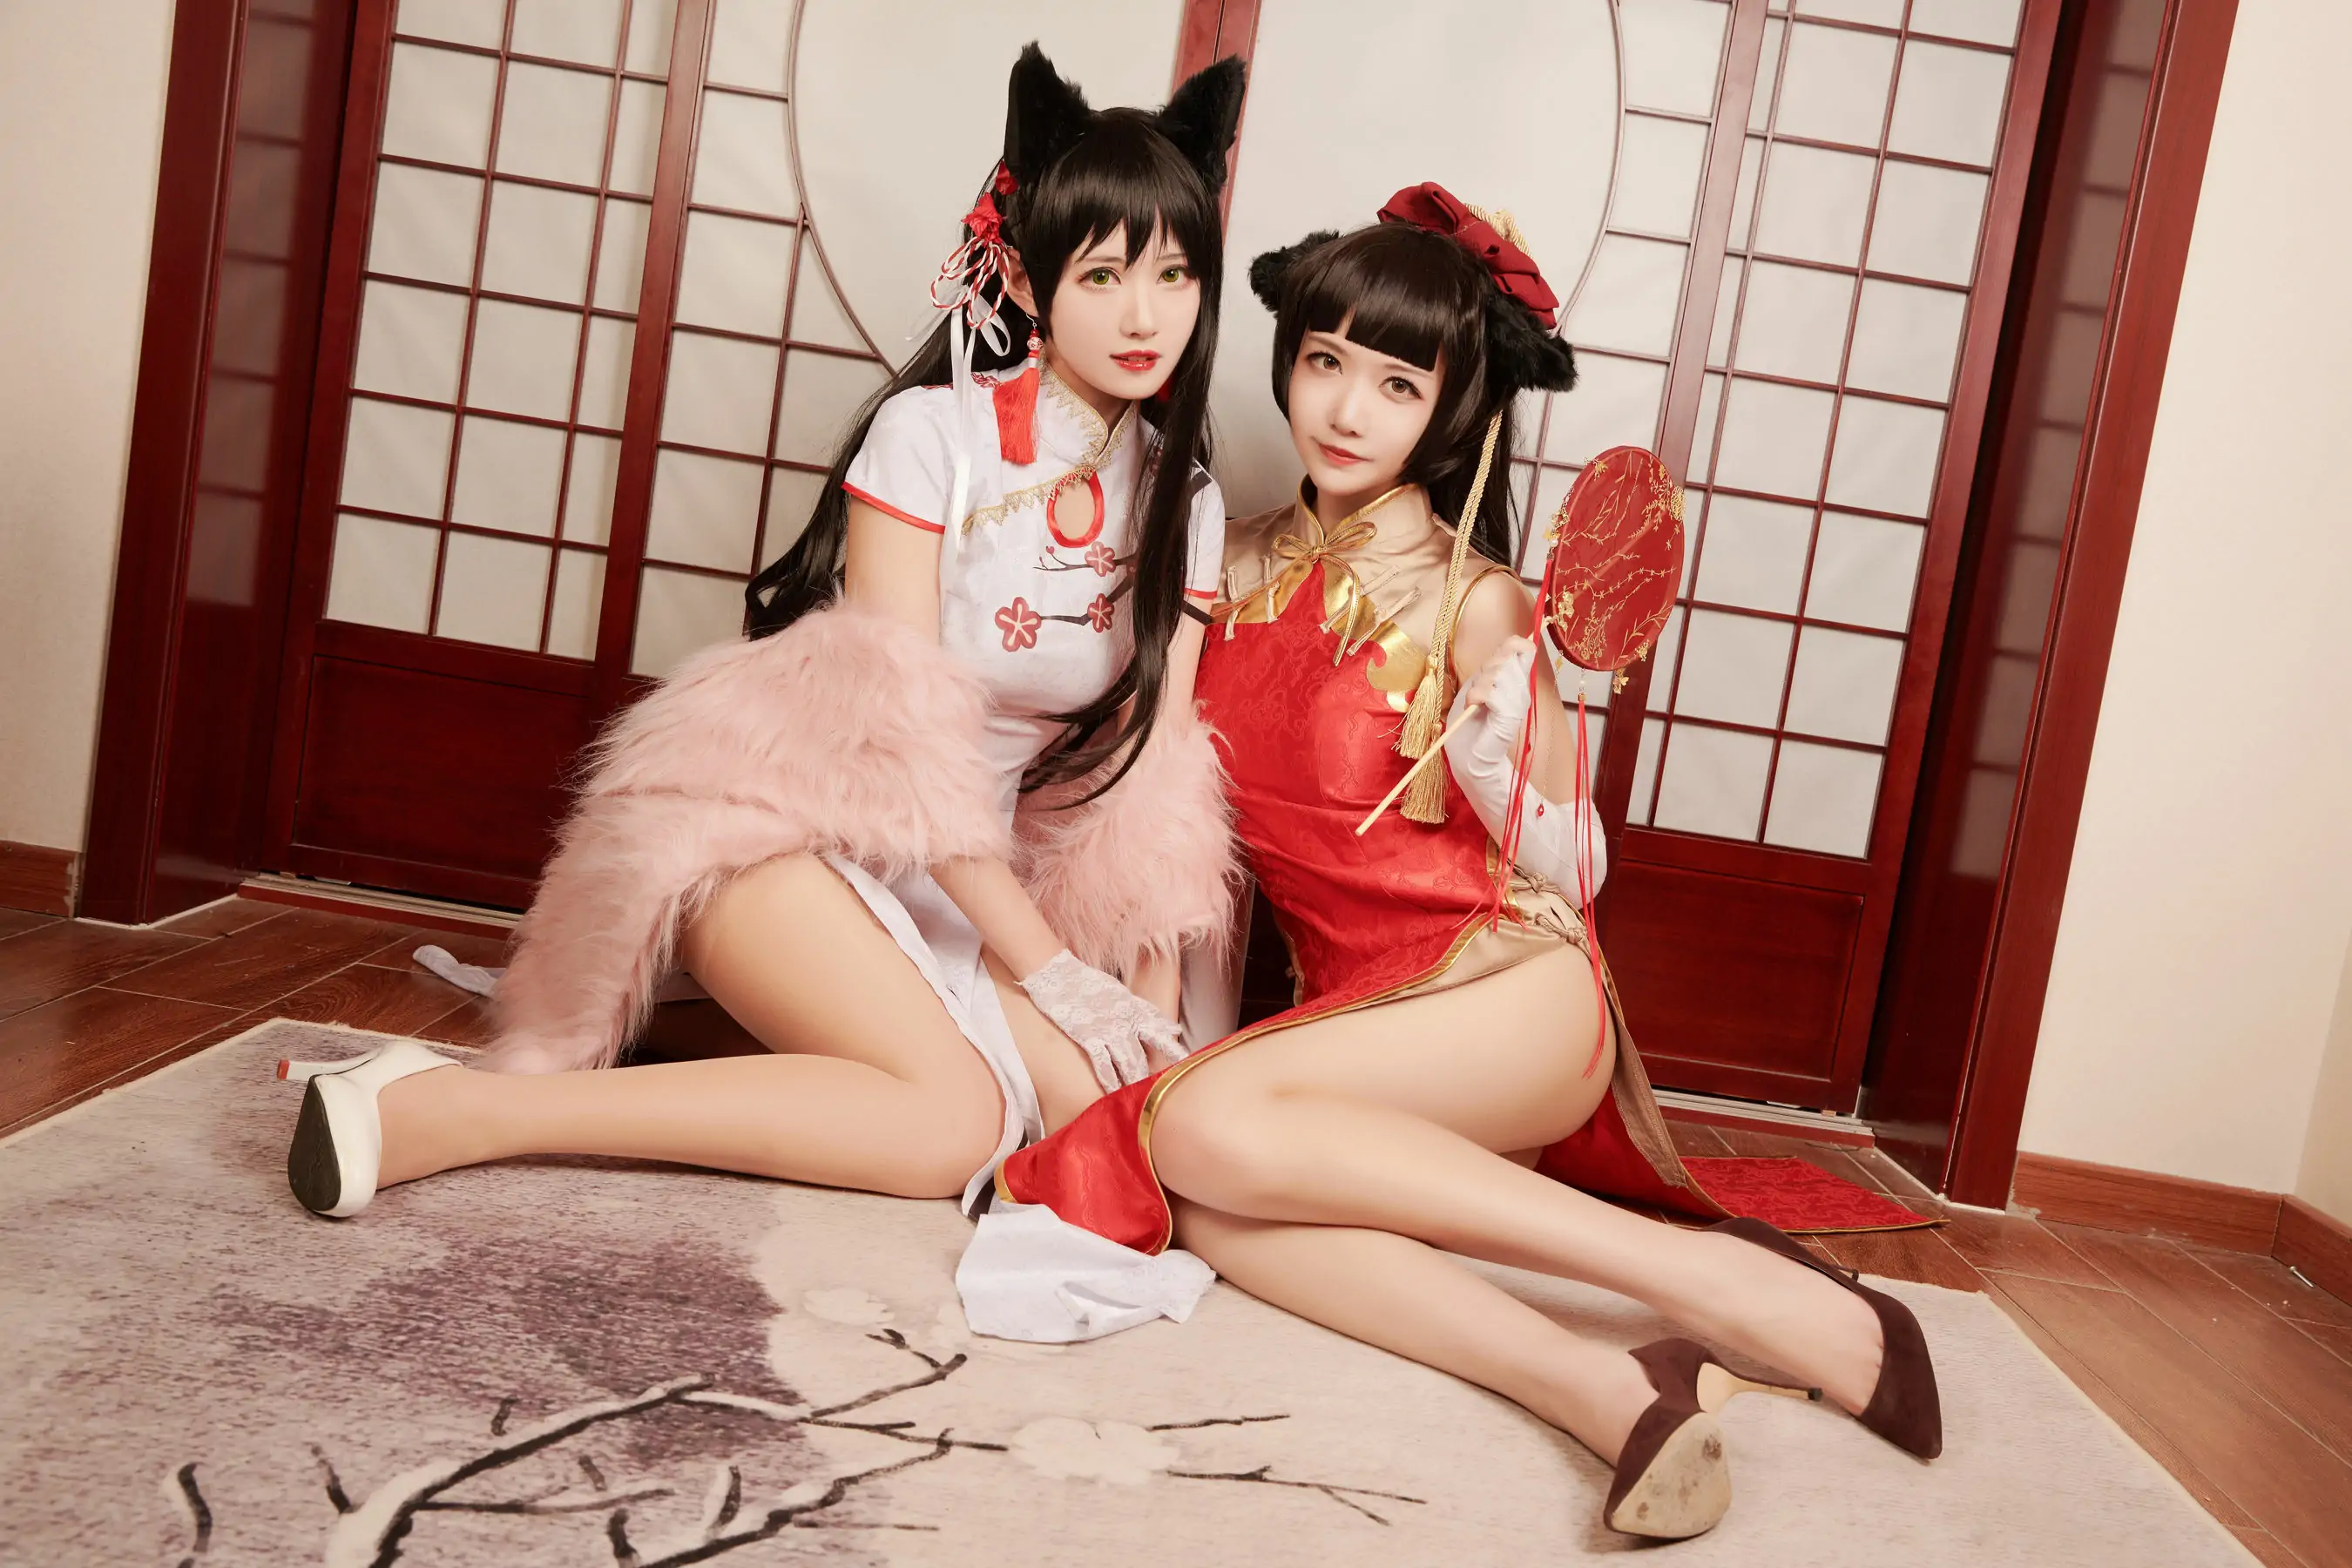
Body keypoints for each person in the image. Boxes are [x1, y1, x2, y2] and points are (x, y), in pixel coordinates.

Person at [994, 191, 1939, 1540]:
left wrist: (1502, 769)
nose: (1346, 410)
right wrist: (1166, 1033)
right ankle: (1602, 1389)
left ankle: (1721, 1285)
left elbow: (1574, 867)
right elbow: (1188, 846)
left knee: (1190, 1136)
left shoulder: (1478, 596)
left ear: (1448, 409)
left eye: (1397, 383)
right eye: (1325, 361)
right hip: (1346, 1035)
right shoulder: (1226, 557)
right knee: (1203, 1191)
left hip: (1506, 998)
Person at [276, 47, 1247, 1223]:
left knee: (1109, 1136)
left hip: (964, 889)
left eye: (1177, 275)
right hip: (783, 831)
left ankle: (721, 1035)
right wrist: (1046, 969)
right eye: (1104, 275)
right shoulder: (932, 438)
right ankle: (449, 1112)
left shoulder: (1185, 503)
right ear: (1030, 284)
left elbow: (1156, 778)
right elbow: (899, 751)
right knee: (956, 1125)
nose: (1147, 316)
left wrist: (1143, 1011)